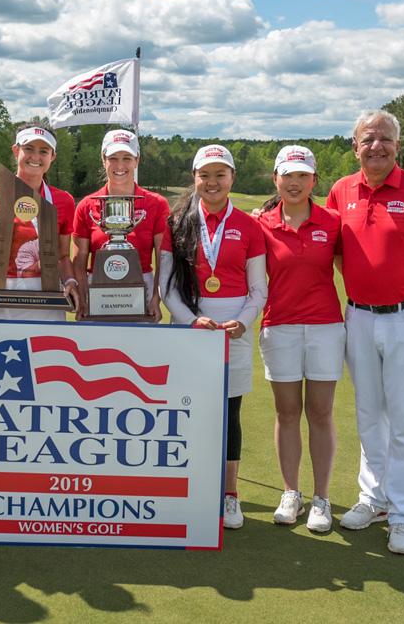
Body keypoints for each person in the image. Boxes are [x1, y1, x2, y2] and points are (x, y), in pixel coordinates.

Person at [326, 109, 404, 555]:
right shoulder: (341, 190)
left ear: (398, 146)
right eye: (368, 139)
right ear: (355, 146)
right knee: (368, 416)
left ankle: (403, 514)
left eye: (385, 139)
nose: (376, 146)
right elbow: (331, 246)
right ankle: (373, 500)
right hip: (359, 317)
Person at [159, 144, 267, 530]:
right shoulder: (177, 222)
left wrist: (242, 321)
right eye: (205, 175)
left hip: (232, 329)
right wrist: (190, 320)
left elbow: (259, 289)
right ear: (195, 178)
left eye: (220, 174)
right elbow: (166, 286)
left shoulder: (251, 227)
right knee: (184, 410)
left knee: (228, 415)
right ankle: (187, 487)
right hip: (188, 325)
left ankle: (229, 495)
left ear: (232, 178)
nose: (212, 182)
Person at [255, 146, 345, 533]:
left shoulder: (335, 222)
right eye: (287, 175)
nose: (294, 183)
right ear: (276, 179)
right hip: (280, 326)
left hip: (326, 326)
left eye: (303, 176)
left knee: (321, 413)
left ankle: (321, 498)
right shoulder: (260, 224)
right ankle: (291, 493)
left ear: (313, 181)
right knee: (287, 413)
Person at [0, 123, 79, 319]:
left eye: (43, 151)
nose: (35, 156)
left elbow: (63, 256)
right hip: (1, 297)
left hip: (48, 299)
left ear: (52, 156)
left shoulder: (64, 200)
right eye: (28, 148)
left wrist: (70, 281)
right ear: (16, 150)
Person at [72, 129, 169, 321]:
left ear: (137, 161)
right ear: (103, 160)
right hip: (97, 292)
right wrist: (83, 299)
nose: (120, 165)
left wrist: (156, 299)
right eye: (113, 158)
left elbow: (162, 258)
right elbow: (80, 259)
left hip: (143, 289)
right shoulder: (86, 205)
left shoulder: (157, 203)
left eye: (127, 158)